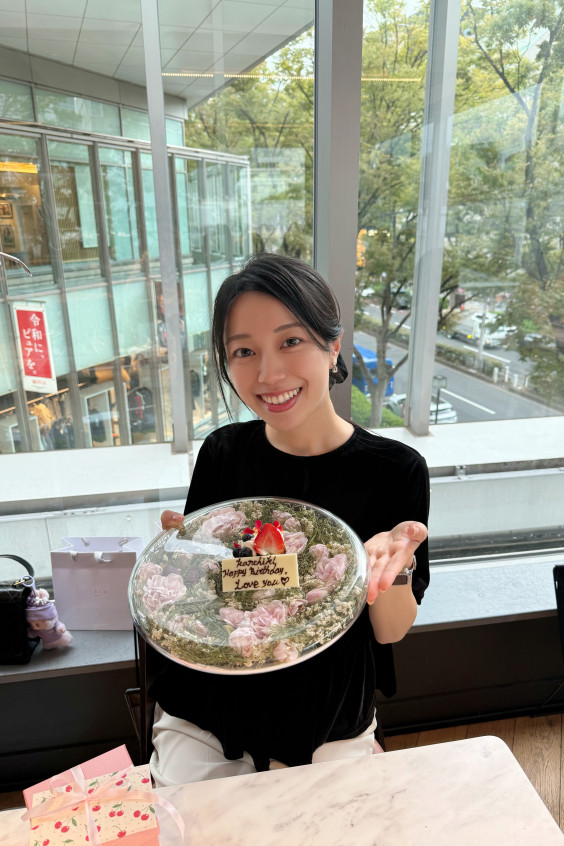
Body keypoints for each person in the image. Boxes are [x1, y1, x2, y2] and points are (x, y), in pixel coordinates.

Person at [149, 252, 430, 786]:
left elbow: (390, 631)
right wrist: (177, 563)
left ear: (333, 347)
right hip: (208, 706)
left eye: (291, 341)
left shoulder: (395, 470)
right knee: (194, 823)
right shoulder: (223, 453)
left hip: (326, 712)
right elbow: (210, 587)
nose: (268, 373)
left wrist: (389, 570)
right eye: (244, 351)